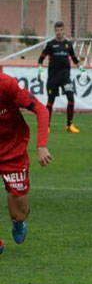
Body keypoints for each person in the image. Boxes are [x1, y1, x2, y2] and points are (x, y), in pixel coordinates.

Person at [0, 73, 52, 255]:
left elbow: (41, 109)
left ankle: (18, 222)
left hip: (13, 152)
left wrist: (42, 145)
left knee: (18, 213)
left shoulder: (7, 85)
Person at [38, 21, 86, 133]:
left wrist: (82, 70)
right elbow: (41, 59)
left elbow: (75, 59)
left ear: (64, 30)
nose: (59, 32)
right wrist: (40, 71)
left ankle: (69, 125)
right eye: (57, 30)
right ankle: (47, 126)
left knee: (71, 99)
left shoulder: (68, 45)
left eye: (61, 30)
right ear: (55, 31)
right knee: (50, 101)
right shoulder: (50, 44)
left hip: (65, 78)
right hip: (53, 78)